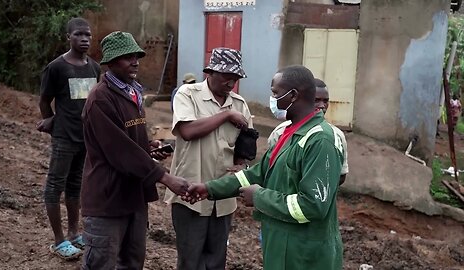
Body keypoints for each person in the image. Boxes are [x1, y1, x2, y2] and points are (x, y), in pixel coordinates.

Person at [184, 65, 344, 270]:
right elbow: (256, 174)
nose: (273, 100)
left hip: (304, 253)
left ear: (293, 95)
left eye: (275, 93)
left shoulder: (320, 140)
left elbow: (313, 206)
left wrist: (259, 197)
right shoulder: (290, 133)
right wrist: (210, 189)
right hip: (281, 242)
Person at [80, 31, 189, 269]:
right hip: (108, 200)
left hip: (134, 196)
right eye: (126, 57)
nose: (135, 61)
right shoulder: (100, 99)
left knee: (132, 262)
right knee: (102, 263)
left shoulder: (133, 92)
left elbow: (131, 140)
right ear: (110, 62)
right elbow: (120, 150)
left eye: (136, 56)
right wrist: (165, 177)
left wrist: (149, 147)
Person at [164, 47, 253, 270]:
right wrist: (226, 115)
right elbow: (188, 131)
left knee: (216, 259)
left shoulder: (240, 104)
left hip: (223, 196)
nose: (231, 82)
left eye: (235, 78)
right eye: (226, 76)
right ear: (210, 72)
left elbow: (246, 143)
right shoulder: (188, 94)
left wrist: (242, 164)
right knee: (190, 259)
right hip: (190, 191)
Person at [36, 17, 100, 260]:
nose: (84, 39)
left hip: (86, 138)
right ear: (68, 38)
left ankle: (74, 233)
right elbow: (44, 100)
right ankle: (59, 240)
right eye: (79, 35)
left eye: (88, 35)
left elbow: (92, 103)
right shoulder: (56, 68)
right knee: (55, 185)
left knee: (75, 185)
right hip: (64, 138)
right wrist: (52, 122)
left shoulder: (94, 68)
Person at [268, 78, 349, 185]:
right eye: (316, 100)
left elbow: (341, 176)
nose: (322, 106)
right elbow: (269, 167)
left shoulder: (335, 135)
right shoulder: (281, 131)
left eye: (325, 101)